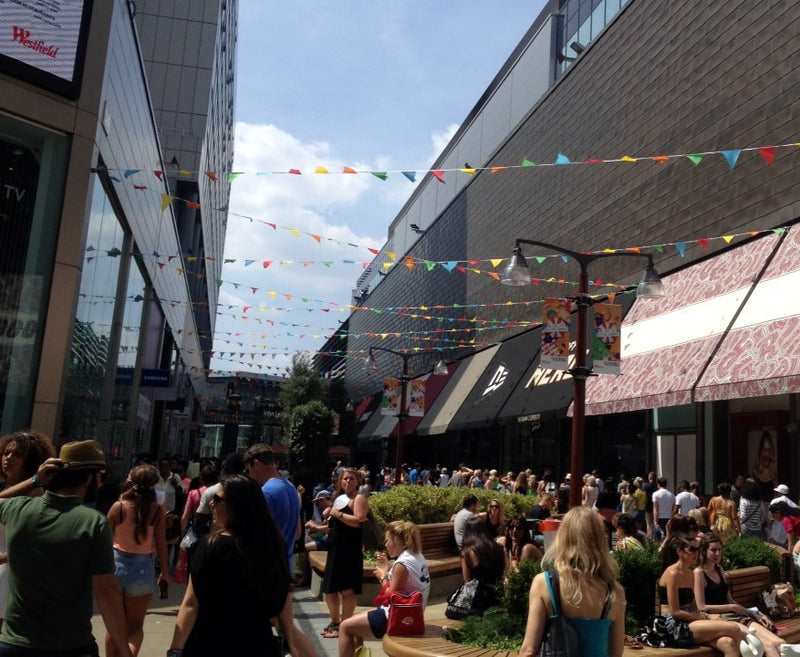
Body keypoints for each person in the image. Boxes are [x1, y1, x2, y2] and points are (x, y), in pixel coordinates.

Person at [0, 439, 133, 657]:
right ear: (90, 477)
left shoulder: (17, 509)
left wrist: (34, 480)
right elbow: (106, 592)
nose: (100, 484)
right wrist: (123, 648)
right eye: (100, 476)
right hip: (69, 645)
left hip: (13, 646)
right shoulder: (92, 523)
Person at [168, 474, 291, 656]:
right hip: (258, 643)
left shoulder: (209, 546)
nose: (211, 504)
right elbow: (281, 599)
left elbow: (191, 603)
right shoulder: (271, 545)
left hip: (210, 642)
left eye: (217, 499)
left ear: (235, 505)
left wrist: (176, 650)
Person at [519, 506, 626, 657]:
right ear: (600, 539)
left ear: (563, 537)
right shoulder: (615, 591)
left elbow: (528, 650)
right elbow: (616, 653)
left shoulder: (544, 583)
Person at [337, 521, 430, 657]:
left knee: (345, 627)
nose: (385, 544)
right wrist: (387, 568)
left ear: (398, 541)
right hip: (413, 611)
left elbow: (391, 595)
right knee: (354, 622)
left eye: (387, 540)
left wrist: (382, 576)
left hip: (400, 616)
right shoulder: (417, 556)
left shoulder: (402, 564)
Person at [105, 464, 169, 657]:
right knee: (135, 626)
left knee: (113, 623)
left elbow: (105, 541)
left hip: (116, 566)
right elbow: (161, 541)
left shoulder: (118, 507)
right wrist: (164, 572)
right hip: (143, 568)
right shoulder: (156, 510)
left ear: (130, 482)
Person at [693, 534, 785, 657]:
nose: (717, 554)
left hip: (735, 615)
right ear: (704, 551)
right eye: (713, 550)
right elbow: (701, 607)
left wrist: (753, 613)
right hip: (719, 619)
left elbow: (730, 599)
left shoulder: (719, 569)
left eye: (719, 550)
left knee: (779, 643)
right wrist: (730, 607)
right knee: (767, 646)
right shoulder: (699, 572)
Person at [658, 533, 747, 657]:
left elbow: (694, 605)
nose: (696, 553)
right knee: (733, 628)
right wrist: (704, 617)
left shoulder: (690, 573)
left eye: (697, 549)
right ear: (679, 551)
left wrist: (707, 616)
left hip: (690, 620)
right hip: (673, 625)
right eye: (692, 549)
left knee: (728, 643)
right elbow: (675, 612)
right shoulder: (673, 573)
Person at [0, 429, 54, 629]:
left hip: (9, 573)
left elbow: (38, 538)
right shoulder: (4, 486)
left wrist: (6, 556)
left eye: (17, 454)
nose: (9, 458)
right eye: (7, 452)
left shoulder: (37, 494)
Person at [319, 467, 368, 639]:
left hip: (349, 550)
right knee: (329, 589)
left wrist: (337, 513)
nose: (347, 482)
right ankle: (335, 622)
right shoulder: (338, 498)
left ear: (357, 482)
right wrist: (327, 516)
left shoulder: (358, 498)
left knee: (347, 590)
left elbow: (359, 520)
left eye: (351, 479)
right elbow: (334, 524)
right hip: (335, 549)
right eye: (345, 479)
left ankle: (345, 625)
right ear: (340, 481)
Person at [243, 443, 301, 572]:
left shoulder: (266, 492)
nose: (249, 475)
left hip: (267, 568)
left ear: (257, 464)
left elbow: (258, 534)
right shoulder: (291, 487)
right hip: (287, 567)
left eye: (248, 470)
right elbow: (297, 534)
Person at [459, 516, 505, 609]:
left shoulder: (467, 551)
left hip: (479, 597)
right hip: (498, 593)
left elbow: (466, 580)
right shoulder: (497, 547)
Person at [768, 501, 800, 570]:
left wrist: (789, 559)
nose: (774, 518)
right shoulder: (794, 513)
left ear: (778, 512)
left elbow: (790, 542)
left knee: (795, 554)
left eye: (773, 515)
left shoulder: (786, 519)